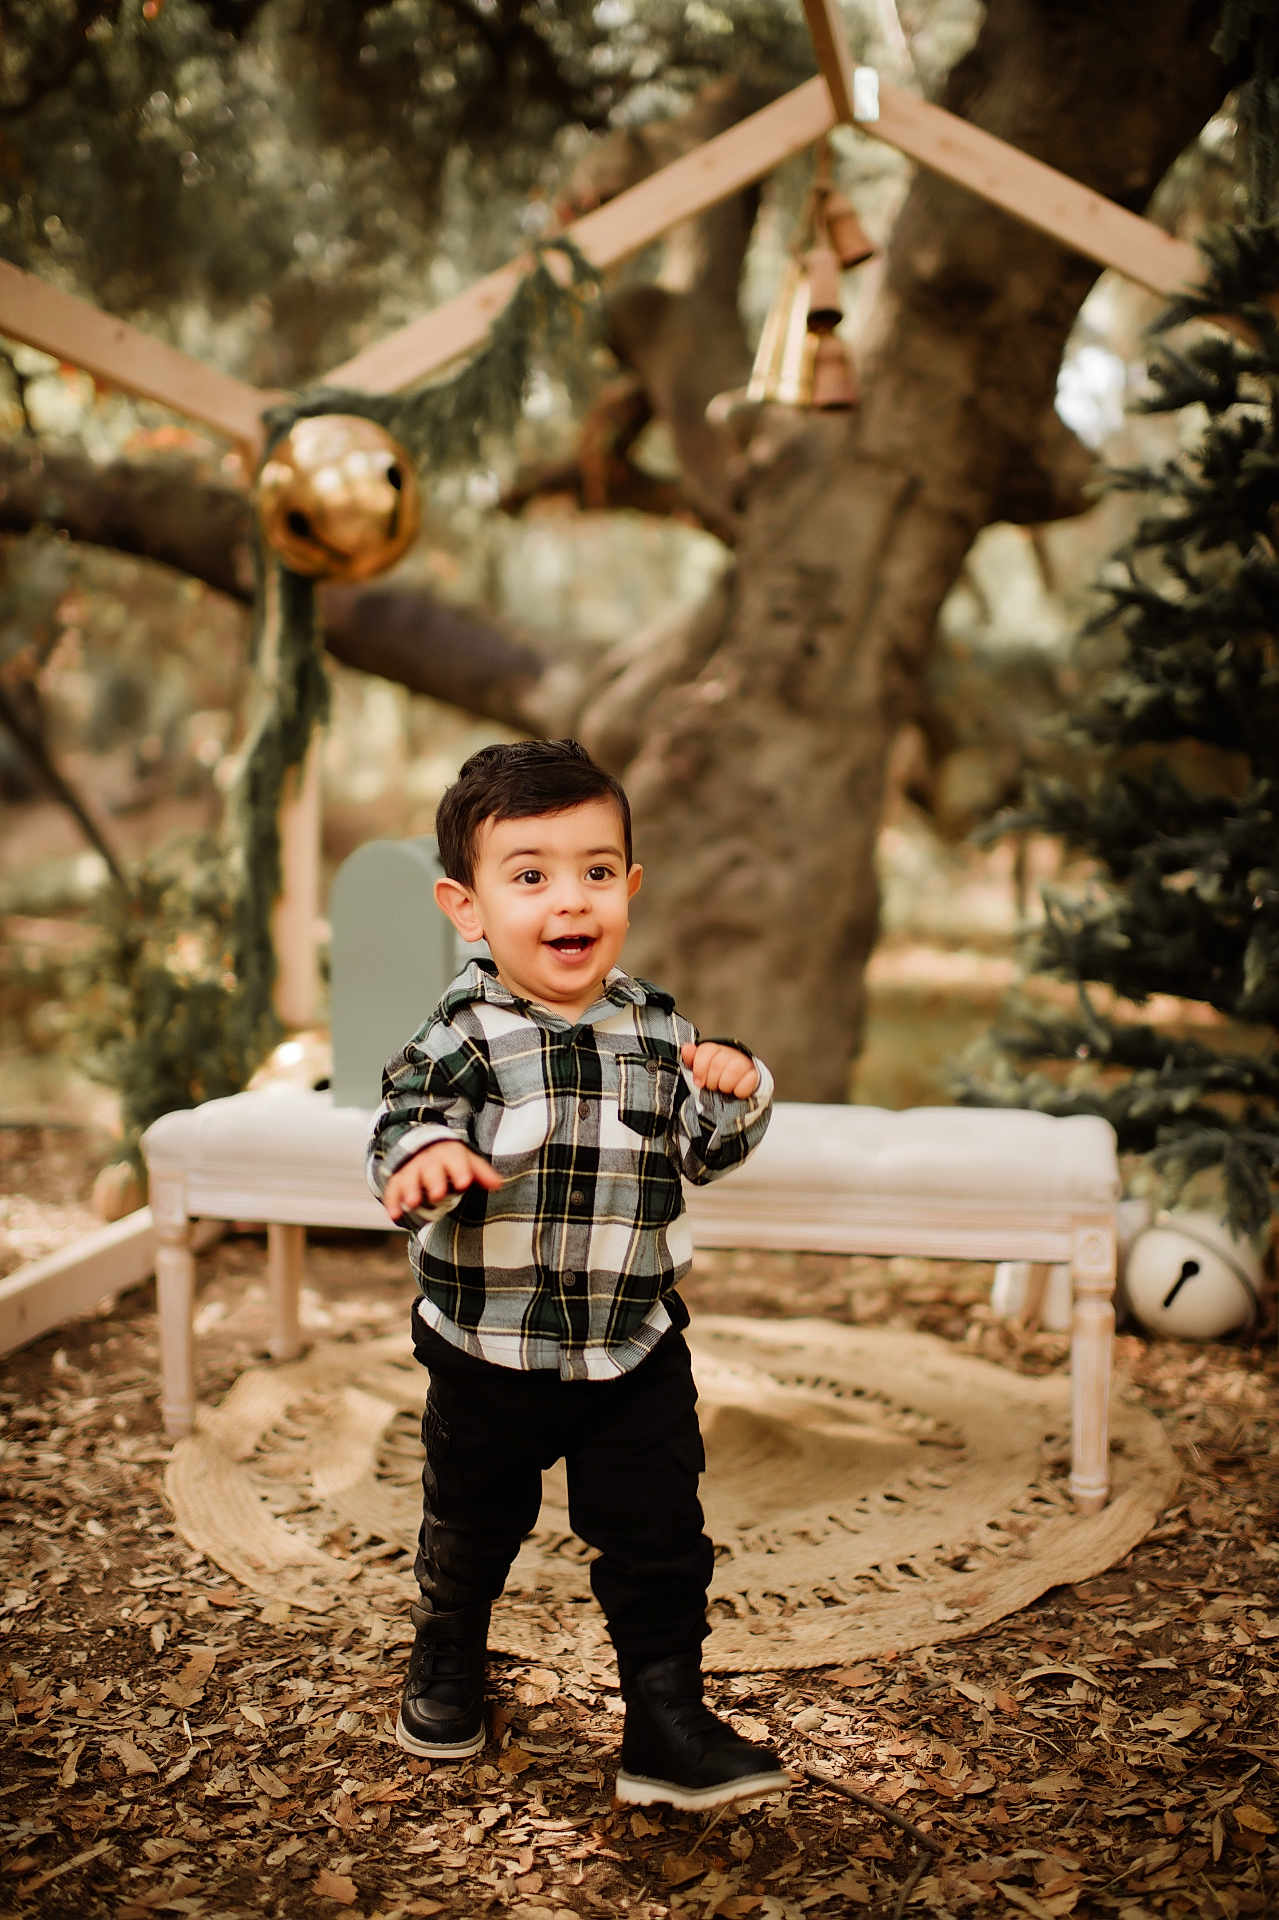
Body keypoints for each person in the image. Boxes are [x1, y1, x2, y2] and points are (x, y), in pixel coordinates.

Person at [366, 738, 786, 1811]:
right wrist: (427, 1160)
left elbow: (703, 1149)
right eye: (531, 874)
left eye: (597, 871)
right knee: (472, 1520)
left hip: (629, 1340)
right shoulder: (460, 1032)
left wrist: (733, 1087)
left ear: (631, 889)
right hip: (486, 1344)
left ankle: (664, 1720)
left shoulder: (656, 1028)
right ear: (467, 908)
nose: (571, 900)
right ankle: (448, 1658)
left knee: (659, 1536)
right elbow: (403, 1118)